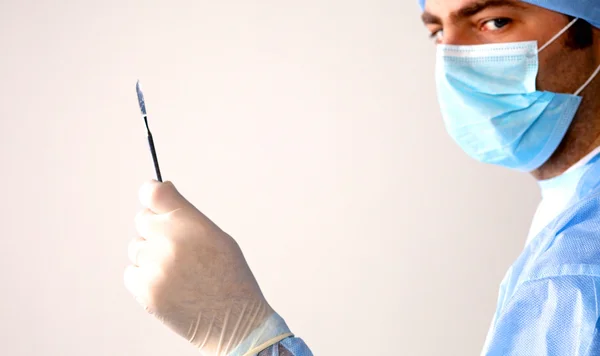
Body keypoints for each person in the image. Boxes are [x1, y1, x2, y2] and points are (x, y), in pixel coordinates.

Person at [124, 0, 600, 355]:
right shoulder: (572, 207)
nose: (452, 58)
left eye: (493, 22)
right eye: (437, 32)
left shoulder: (575, 277)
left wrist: (245, 335)